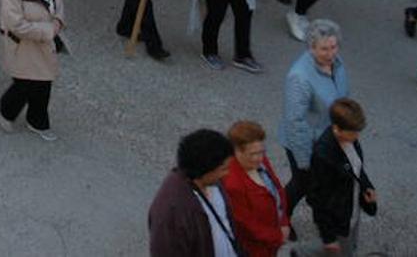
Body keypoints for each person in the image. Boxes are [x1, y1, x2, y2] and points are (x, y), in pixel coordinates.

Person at [0, 0, 66, 142]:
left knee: (44, 83)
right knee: (25, 84)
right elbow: (16, 25)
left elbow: (57, 0)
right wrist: (48, 30)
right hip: (24, 46)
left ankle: (38, 121)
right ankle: (6, 111)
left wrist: (59, 21)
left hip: (43, 42)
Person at [280, 18, 348, 221]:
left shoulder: (337, 63)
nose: (331, 53)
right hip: (304, 142)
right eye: (324, 49)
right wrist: (304, 160)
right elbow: (295, 121)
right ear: (311, 48)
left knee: (316, 183)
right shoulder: (299, 77)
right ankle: (281, 216)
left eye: (334, 47)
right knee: (302, 182)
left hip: (327, 137)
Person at [147, 129, 238, 257]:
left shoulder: (213, 184)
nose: (227, 174)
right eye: (223, 169)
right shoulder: (172, 211)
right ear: (205, 168)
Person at [306, 98, 378, 256]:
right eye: (353, 132)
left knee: (349, 247)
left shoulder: (350, 139)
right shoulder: (323, 155)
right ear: (336, 129)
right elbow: (317, 198)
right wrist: (328, 237)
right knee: (342, 252)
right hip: (339, 220)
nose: (357, 136)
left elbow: (357, 167)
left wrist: (367, 186)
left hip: (350, 210)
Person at [220, 120, 289, 257]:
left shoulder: (259, 160)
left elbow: (277, 190)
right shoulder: (233, 183)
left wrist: (284, 221)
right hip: (254, 248)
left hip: (271, 238)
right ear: (236, 151)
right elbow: (247, 225)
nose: (260, 158)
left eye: (261, 152)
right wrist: (277, 237)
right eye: (253, 154)